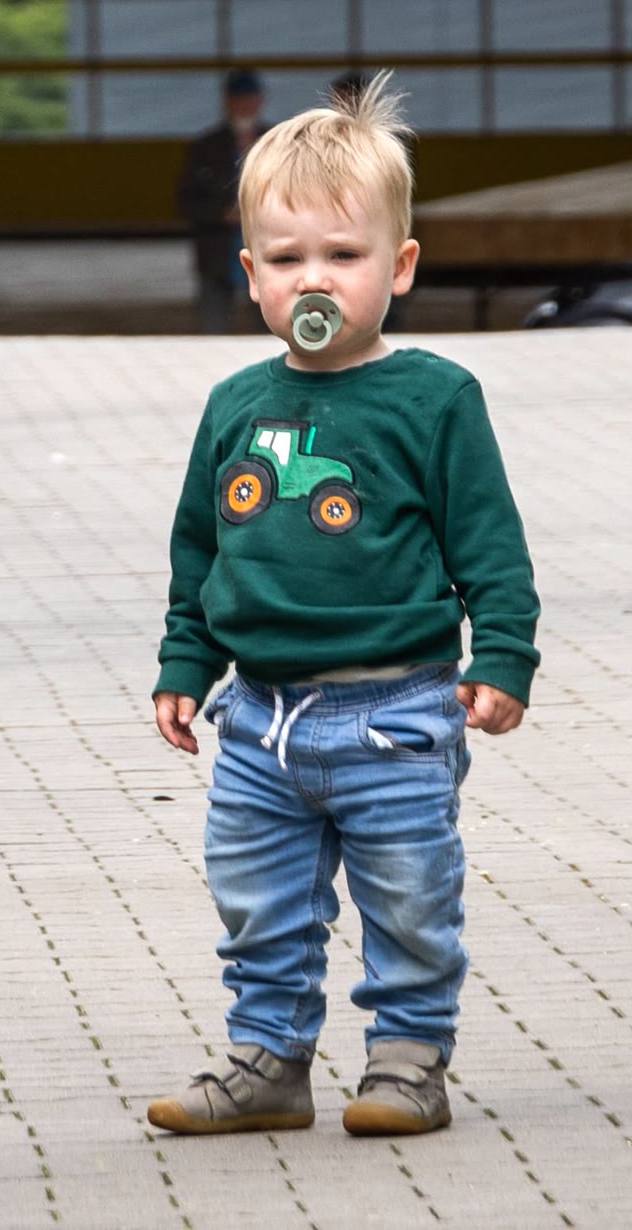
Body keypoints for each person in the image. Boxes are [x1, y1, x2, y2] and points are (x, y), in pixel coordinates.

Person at [145, 73, 540, 1138]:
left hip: (395, 715)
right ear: (251, 276)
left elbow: (490, 547)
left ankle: (407, 1063)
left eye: (342, 256)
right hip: (257, 720)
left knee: (410, 897)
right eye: (285, 260)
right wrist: (185, 663)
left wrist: (502, 657)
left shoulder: (434, 399)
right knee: (256, 902)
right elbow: (200, 550)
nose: (312, 279)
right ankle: (267, 1063)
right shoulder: (235, 405)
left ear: (398, 266)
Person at [177, 68, 269, 335]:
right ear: (227, 101)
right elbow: (186, 201)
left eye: (249, 98)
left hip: (266, 245)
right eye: (238, 99)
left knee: (270, 324)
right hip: (218, 249)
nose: (244, 105)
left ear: (260, 100)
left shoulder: (275, 141)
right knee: (212, 324)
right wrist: (220, 214)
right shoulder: (206, 147)